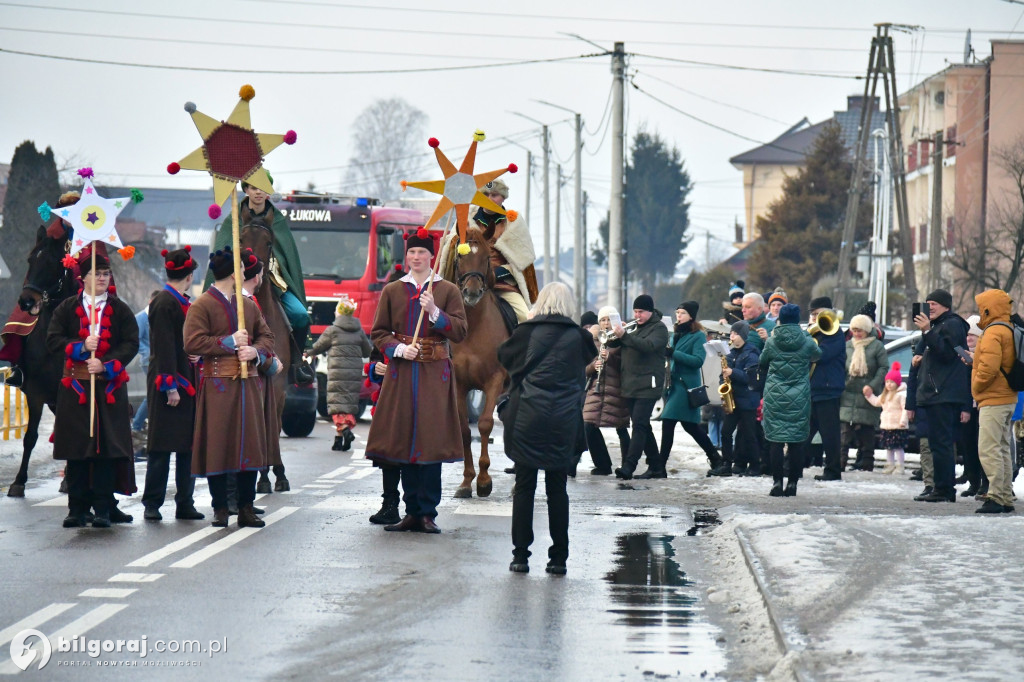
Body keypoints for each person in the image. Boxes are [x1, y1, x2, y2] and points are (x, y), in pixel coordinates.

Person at [364, 229, 468, 534]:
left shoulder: (447, 290)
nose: (417, 257)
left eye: (422, 253)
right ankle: (409, 511)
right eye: (412, 253)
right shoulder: (393, 291)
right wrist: (397, 349)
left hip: (434, 373)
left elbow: (461, 331)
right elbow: (378, 332)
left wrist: (434, 311)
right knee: (404, 439)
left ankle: (427, 512)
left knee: (429, 440)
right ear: (406, 257)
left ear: (431, 256)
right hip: (402, 373)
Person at [499, 282, 596, 574]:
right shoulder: (579, 337)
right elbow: (588, 361)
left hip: (528, 417)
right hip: (564, 420)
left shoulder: (525, 333)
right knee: (557, 489)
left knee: (524, 487)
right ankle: (558, 558)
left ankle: (520, 556)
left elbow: (504, 358)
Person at [185, 247, 276, 528]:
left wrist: (256, 353)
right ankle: (220, 507)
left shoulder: (247, 305)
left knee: (249, 444)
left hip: (247, 383)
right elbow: (192, 342)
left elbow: (267, 336)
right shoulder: (201, 305)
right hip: (216, 385)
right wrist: (229, 342)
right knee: (218, 446)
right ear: (232, 272)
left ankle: (247, 507)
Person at [47, 254, 139, 528]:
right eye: (97, 273)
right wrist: (81, 345)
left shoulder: (119, 309)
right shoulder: (66, 308)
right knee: (76, 450)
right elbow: (52, 340)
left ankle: (102, 509)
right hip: (75, 390)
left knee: (105, 451)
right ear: (83, 277)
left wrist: (107, 364)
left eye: (106, 273)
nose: (102, 278)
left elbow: (130, 343)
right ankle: (76, 509)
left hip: (107, 389)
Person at [207, 179, 310, 380]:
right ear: (246, 190)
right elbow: (223, 249)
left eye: (262, 188)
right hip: (237, 278)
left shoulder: (277, 220)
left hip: (271, 279)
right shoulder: (233, 219)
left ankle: (297, 363)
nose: (258, 192)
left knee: (300, 315)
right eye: (254, 188)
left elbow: (285, 253)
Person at [142, 248, 204, 522]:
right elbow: (164, 346)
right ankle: (152, 503)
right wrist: (170, 386)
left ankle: (184, 502)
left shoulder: (177, 301)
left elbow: (181, 343)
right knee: (160, 446)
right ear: (189, 276)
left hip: (184, 379)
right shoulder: (166, 302)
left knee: (186, 446)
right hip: (170, 382)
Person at [441, 178, 538, 323]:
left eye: (494, 195)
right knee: (436, 313)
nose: (489, 199)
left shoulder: (513, 223)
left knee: (526, 318)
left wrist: (495, 273)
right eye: (485, 195)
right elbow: (451, 249)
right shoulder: (465, 219)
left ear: (503, 197)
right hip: (467, 281)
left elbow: (521, 260)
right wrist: (455, 242)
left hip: (502, 283)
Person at [913, 289, 971, 503]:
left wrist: (928, 331)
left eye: (934, 303)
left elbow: (947, 354)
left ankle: (945, 489)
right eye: (927, 303)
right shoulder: (941, 325)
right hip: (936, 393)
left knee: (942, 444)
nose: (930, 307)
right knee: (937, 443)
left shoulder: (952, 324)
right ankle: (941, 487)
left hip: (943, 393)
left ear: (946, 305)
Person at [760, 303, 821, 497]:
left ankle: (777, 482)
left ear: (780, 319)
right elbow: (818, 355)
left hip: (775, 395)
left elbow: (762, 362)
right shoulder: (806, 340)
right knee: (796, 440)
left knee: (775, 440)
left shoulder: (771, 341)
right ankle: (793, 484)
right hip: (799, 396)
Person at [656, 301, 722, 478]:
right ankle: (716, 458)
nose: (679, 316)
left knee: (668, 421)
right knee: (691, 426)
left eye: (682, 313)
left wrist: (673, 354)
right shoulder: (676, 334)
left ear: (691, 316)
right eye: (677, 312)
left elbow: (697, 361)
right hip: (674, 384)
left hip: (686, 386)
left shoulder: (697, 336)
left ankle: (660, 467)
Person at [609, 294, 669, 480]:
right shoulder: (633, 328)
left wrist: (625, 335)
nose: (637, 315)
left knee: (640, 425)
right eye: (635, 311)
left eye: (641, 311)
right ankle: (657, 467)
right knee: (642, 425)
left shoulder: (659, 328)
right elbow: (614, 343)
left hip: (648, 384)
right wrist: (616, 334)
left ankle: (629, 466)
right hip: (631, 384)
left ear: (650, 311)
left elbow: (647, 346)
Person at [970, 289, 1018, 513]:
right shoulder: (1009, 328)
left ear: (988, 308)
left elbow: (988, 369)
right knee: (1002, 449)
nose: (980, 311)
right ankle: (1005, 496)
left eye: (981, 307)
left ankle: (997, 497)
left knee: (989, 448)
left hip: (994, 398)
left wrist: (976, 387)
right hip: (1007, 396)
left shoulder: (993, 332)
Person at [306, 294, 372, 452]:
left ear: (339, 313)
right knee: (347, 406)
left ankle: (345, 431)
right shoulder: (359, 331)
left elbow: (318, 346)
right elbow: (367, 351)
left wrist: (307, 353)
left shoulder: (333, 330)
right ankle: (338, 441)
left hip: (337, 374)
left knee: (336, 407)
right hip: (354, 374)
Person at [582, 306, 631, 475]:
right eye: (602, 320)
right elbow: (584, 368)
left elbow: (628, 366)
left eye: (609, 319)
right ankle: (602, 464)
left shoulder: (623, 339)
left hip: (617, 389)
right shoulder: (595, 341)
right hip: (597, 389)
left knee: (621, 427)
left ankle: (627, 465)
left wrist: (611, 359)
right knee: (588, 425)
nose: (606, 323)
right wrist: (592, 366)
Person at [711, 320, 761, 476]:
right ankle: (727, 464)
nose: (731, 335)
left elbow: (750, 378)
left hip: (747, 400)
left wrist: (733, 373)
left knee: (749, 434)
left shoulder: (752, 353)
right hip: (733, 399)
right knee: (726, 432)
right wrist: (723, 382)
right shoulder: (730, 354)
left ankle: (754, 466)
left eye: (735, 333)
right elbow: (723, 374)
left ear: (743, 336)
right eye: (731, 333)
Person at [805, 297, 848, 482]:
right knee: (805, 431)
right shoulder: (812, 333)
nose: (815, 317)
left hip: (828, 389)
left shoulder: (835, 333)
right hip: (814, 389)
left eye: (818, 314)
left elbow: (821, 355)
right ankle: (792, 465)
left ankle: (833, 470)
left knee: (829, 433)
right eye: (813, 314)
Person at [839, 314, 888, 472]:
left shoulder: (877, 347)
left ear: (867, 330)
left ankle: (867, 465)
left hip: (867, 396)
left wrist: (872, 386)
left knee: (867, 433)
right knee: (844, 434)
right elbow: (841, 367)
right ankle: (839, 464)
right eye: (854, 330)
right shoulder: (847, 346)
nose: (857, 334)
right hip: (848, 394)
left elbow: (883, 368)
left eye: (860, 330)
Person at [957, 316, 987, 498]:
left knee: (982, 446)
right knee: (968, 446)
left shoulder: (984, 355)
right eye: (967, 334)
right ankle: (973, 481)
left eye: (973, 335)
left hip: (982, 405)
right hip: (967, 407)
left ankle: (986, 483)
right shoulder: (961, 355)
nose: (969, 338)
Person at [130, 291, 161, 459]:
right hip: (148, 360)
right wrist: (147, 352)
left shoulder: (158, 316)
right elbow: (136, 339)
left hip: (158, 359)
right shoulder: (141, 318)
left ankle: (145, 426)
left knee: (155, 392)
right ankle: (137, 426)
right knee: (153, 392)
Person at [863, 363, 909, 474]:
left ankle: (900, 466)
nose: (889, 384)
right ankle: (890, 464)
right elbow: (876, 402)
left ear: (897, 383)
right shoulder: (885, 395)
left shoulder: (901, 395)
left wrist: (903, 420)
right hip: (887, 425)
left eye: (892, 382)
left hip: (898, 426)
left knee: (898, 447)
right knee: (888, 447)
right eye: (887, 382)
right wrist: (868, 396)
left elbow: (905, 409)